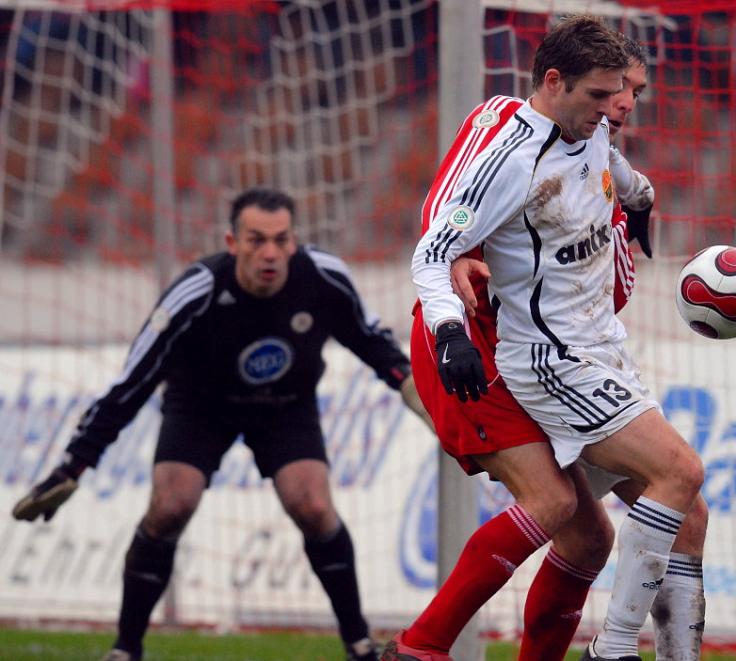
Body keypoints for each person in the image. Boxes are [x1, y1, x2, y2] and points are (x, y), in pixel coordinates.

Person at [387, 15, 705, 661]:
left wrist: (640, 198)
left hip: (597, 349)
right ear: (555, 81)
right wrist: (449, 329)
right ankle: (597, 649)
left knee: (652, 522)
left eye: (629, 92)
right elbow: (435, 243)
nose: (617, 107)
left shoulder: (590, 134)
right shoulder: (509, 151)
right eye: (604, 94)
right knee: (640, 480)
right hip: (532, 356)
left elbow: (612, 165)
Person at [12, 187, 433, 661]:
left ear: (293, 242)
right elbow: (131, 383)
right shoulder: (196, 292)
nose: (270, 252)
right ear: (232, 243)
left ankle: (359, 644)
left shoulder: (322, 277)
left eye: (280, 240)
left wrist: (418, 395)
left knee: (313, 505)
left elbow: (373, 342)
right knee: (171, 505)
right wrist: (74, 465)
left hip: (285, 405)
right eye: (256, 240)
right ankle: (126, 648)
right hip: (200, 407)